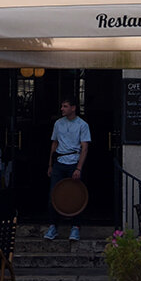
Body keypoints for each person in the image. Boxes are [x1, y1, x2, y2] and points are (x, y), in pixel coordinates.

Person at [44, 96, 90, 241]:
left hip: (73, 162)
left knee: (76, 196)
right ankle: (53, 226)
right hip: (59, 161)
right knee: (54, 195)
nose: (62, 109)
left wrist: (79, 168)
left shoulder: (82, 125)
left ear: (73, 108)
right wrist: (50, 164)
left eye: (65, 106)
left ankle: (75, 227)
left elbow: (84, 147)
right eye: (62, 106)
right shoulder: (58, 123)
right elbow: (54, 144)